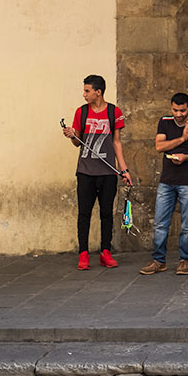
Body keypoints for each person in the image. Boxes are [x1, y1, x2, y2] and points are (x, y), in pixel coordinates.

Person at [62, 75, 132, 270]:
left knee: (106, 213)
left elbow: (117, 142)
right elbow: (77, 142)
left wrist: (123, 170)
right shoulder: (81, 112)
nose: (84, 94)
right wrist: (72, 136)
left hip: (107, 172)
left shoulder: (113, 112)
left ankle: (105, 252)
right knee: (84, 213)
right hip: (85, 171)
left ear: (98, 92)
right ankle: (83, 254)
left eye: (87, 91)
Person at [139, 92, 188, 276]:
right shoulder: (164, 122)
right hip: (167, 180)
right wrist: (181, 140)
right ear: (171, 108)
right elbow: (159, 146)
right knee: (160, 223)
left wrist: (186, 157)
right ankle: (158, 261)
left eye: (182, 110)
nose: (179, 114)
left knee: (187, 224)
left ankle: (185, 260)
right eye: (175, 110)